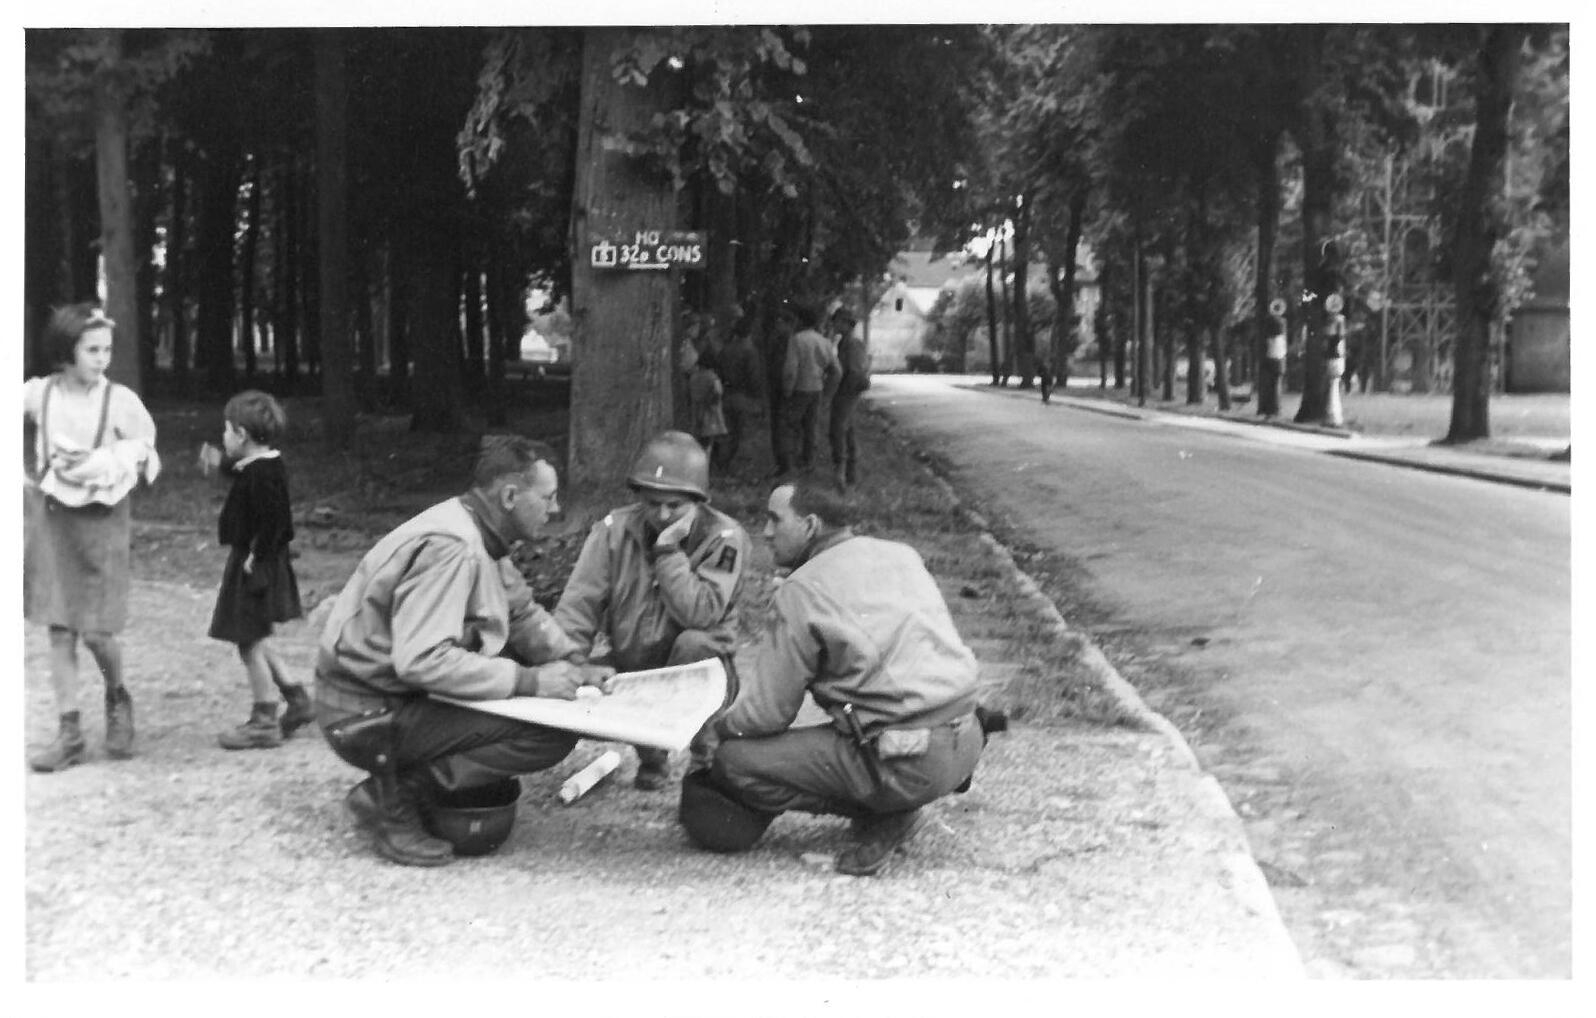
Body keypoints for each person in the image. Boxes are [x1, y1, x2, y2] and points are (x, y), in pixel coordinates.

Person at [313, 435, 613, 867]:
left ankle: (403, 787)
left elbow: (523, 613)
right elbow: (422, 660)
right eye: (546, 498)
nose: (554, 509)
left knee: (542, 701)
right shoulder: (451, 549)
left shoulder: (478, 532)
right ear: (510, 495)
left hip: (384, 697)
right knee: (547, 732)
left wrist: (573, 664)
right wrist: (529, 680)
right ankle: (391, 797)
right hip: (364, 712)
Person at [682, 480, 985, 877]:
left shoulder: (802, 589)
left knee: (734, 761)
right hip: (968, 738)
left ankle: (889, 813)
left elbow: (768, 714)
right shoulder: (900, 554)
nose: (767, 532)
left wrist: (713, 729)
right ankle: (895, 802)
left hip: (909, 761)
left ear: (810, 525)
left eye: (775, 520)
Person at [554, 430, 752, 791]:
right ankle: (652, 758)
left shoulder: (725, 537)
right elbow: (579, 605)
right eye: (652, 502)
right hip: (637, 654)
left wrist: (668, 553)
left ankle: (706, 760)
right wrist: (567, 663)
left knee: (695, 645)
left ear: (697, 500)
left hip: (702, 666)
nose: (662, 514)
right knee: (615, 665)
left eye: (674, 505)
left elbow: (702, 613)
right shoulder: (614, 530)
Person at [23, 304, 162, 773]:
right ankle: (69, 732)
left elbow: (146, 446)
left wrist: (116, 459)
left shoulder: (119, 399)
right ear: (66, 350)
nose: (102, 358)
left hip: (103, 517)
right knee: (60, 627)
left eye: (107, 349)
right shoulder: (38, 395)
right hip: (54, 517)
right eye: (92, 349)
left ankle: (116, 695)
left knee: (98, 631)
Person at [198, 390, 312, 750]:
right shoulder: (264, 464)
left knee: (248, 642)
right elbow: (244, 472)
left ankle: (264, 719)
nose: (224, 437)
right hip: (255, 562)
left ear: (242, 435)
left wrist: (258, 555)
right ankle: (296, 698)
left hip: (255, 566)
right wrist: (220, 464)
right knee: (256, 635)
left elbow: (279, 521)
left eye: (227, 432)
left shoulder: (261, 475)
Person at [779, 304, 839, 476]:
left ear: (800, 320)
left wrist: (787, 390)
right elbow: (836, 370)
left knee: (790, 426)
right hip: (817, 389)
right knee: (811, 427)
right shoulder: (824, 341)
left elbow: (791, 369)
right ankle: (809, 462)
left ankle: (789, 464)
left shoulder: (797, 340)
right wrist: (828, 393)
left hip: (799, 389)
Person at [826, 305, 870, 490]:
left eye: (837, 321)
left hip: (847, 392)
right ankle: (849, 473)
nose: (834, 324)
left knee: (838, 430)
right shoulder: (845, 342)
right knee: (847, 431)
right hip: (846, 391)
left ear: (846, 323)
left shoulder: (852, 344)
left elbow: (854, 372)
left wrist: (841, 391)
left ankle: (841, 472)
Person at [715, 316, 764, 473]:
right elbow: (754, 377)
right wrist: (758, 397)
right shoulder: (750, 351)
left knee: (726, 432)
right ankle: (734, 467)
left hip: (726, 394)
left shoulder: (726, 349)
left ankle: (721, 465)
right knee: (741, 434)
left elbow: (719, 370)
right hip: (743, 396)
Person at [687, 347, 729, 465]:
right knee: (707, 448)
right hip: (710, 415)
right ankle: (704, 471)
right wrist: (712, 401)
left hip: (696, 414)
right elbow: (718, 392)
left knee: (698, 444)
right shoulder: (712, 377)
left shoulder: (693, 377)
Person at [1258, 300, 1288, 417]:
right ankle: (1275, 409)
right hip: (1279, 359)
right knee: (1276, 385)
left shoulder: (1270, 328)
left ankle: (1271, 409)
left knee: (1271, 385)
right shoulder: (1283, 323)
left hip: (1271, 358)